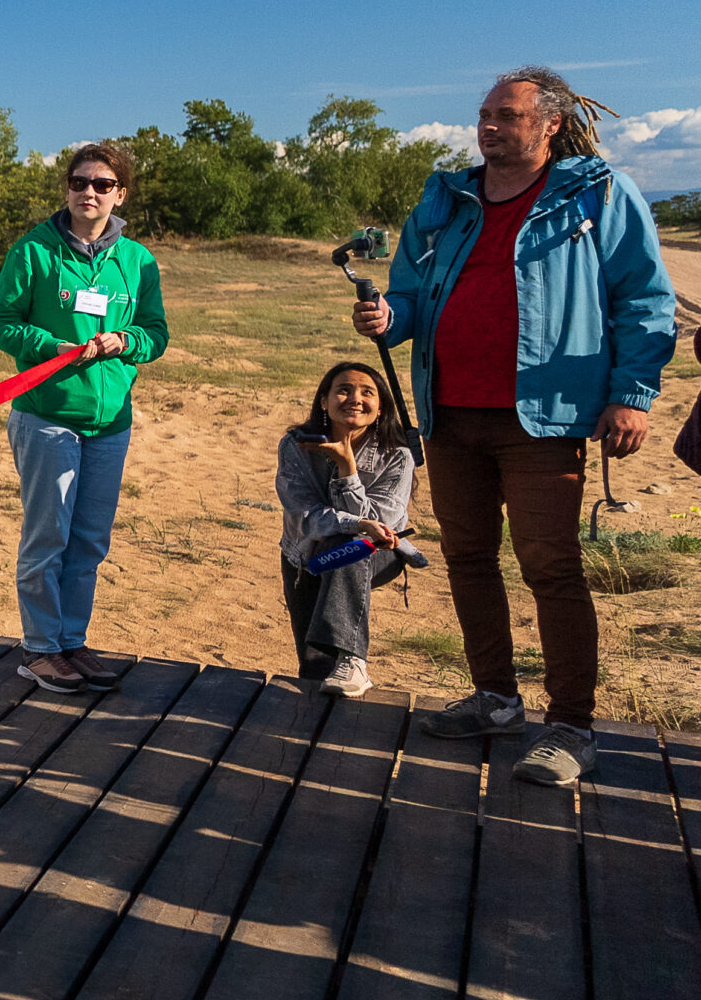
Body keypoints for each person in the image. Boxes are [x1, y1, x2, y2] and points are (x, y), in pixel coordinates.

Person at [356, 66, 675, 786]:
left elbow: (645, 300)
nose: (489, 126)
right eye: (484, 114)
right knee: (468, 559)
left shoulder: (593, 194)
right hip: (450, 413)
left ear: (550, 123)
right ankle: (497, 699)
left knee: (551, 567)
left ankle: (571, 726)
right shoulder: (448, 198)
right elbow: (408, 294)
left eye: (507, 114)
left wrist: (633, 394)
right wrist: (388, 317)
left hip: (545, 418)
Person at [0, 140, 168, 695]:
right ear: (67, 188)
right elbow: (0, 324)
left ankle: (71, 640)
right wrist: (50, 345)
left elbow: (156, 334)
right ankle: (40, 649)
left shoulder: (137, 262)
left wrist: (125, 339)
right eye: (80, 182)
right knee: (49, 537)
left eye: (102, 184)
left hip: (110, 421)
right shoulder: (34, 250)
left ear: (120, 194)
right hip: (47, 417)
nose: (89, 192)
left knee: (89, 540)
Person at [277, 362, 417, 698]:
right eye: (344, 390)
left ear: (381, 406)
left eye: (367, 392)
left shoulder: (398, 453)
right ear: (324, 401)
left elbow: (379, 526)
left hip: (379, 553)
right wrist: (357, 522)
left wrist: (346, 466)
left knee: (349, 547)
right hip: (305, 555)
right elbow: (305, 516)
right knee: (314, 667)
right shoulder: (295, 444)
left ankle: (354, 660)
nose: (355, 398)